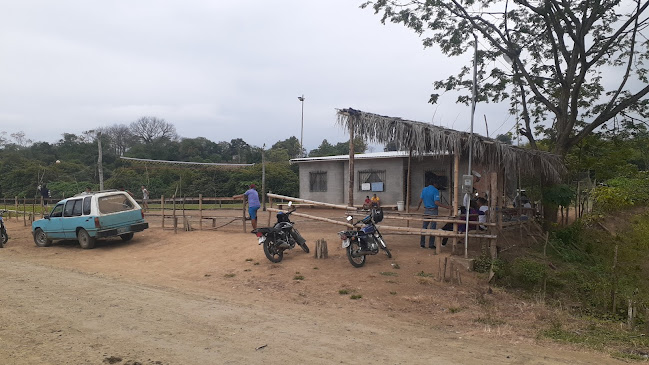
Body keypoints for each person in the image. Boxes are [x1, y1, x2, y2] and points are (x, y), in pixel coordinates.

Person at [416, 178, 451, 249]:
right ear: (435, 184)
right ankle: (431, 245)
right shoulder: (435, 191)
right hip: (433, 210)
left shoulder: (424, 189)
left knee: (424, 227)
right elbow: (436, 202)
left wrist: (418, 208)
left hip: (426, 210)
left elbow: (420, 200)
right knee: (432, 228)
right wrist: (447, 207)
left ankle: (422, 244)